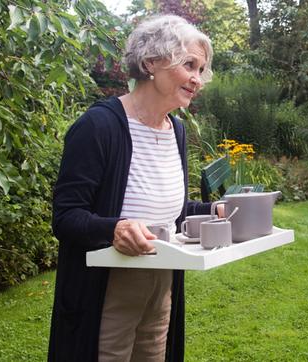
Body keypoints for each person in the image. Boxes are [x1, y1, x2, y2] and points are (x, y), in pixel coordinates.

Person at [48, 15, 222, 361]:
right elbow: (66, 217)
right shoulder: (99, 126)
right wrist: (114, 229)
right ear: (151, 62)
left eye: (201, 70)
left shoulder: (176, 130)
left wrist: (213, 210)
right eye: (189, 65)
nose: (197, 79)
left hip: (162, 281)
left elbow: (165, 209)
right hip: (107, 286)